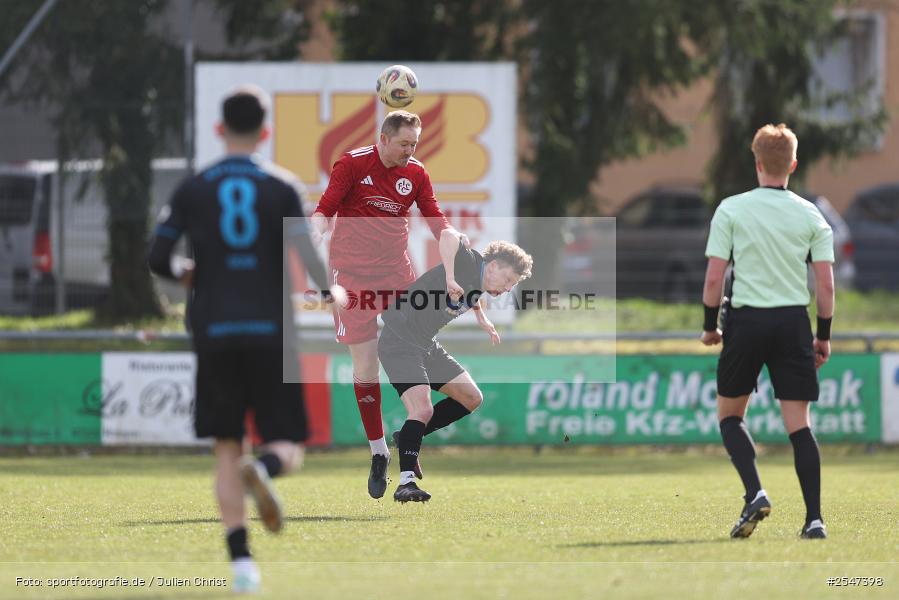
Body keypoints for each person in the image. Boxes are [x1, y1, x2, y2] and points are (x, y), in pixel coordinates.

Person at [148, 85, 344, 593]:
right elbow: (307, 253)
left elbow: (157, 258)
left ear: (219, 129)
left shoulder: (194, 187)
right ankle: (266, 468)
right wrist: (330, 291)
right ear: (265, 131)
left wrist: (188, 272)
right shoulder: (280, 186)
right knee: (289, 444)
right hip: (270, 330)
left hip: (213, 330)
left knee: (225, 449)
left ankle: (241, 567)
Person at [309, 109, 466, 499]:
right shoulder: (351, 164)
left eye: (414, 144)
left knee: (412, 357)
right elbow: (324, 210)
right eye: (403, 144)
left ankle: (408, 454)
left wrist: (450, 266)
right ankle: (378, 450)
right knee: (365, 365)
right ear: (383, 139)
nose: (410, 152)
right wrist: (313, 239)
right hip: (351, 279)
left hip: (397, 278)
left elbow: (439, 224)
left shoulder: (415, 173)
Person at [700, 123, 834, 540]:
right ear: (793, 164)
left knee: (730, 417)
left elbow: (713, 279)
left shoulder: (732, 209)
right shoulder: (811, 214)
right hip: (793, 321)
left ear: (756, 163)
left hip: (746, 320)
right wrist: (823, 335)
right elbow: (826, 286)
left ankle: (755, 491)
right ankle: (814, 520)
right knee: (799, 426)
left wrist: (709, 327)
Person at [378, 229, 532, 502]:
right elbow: (448, 235)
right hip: (399, 340)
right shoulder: (469, 262)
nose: (508, 288)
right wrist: (449, 276)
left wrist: (481, 317)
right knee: (422, 409)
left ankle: (407, 438)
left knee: (471, 397)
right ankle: (406, 484)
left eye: (512, 284)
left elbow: (472, 291)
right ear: (493, 266)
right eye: (508, 279)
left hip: (425, 344)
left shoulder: (479, 283)